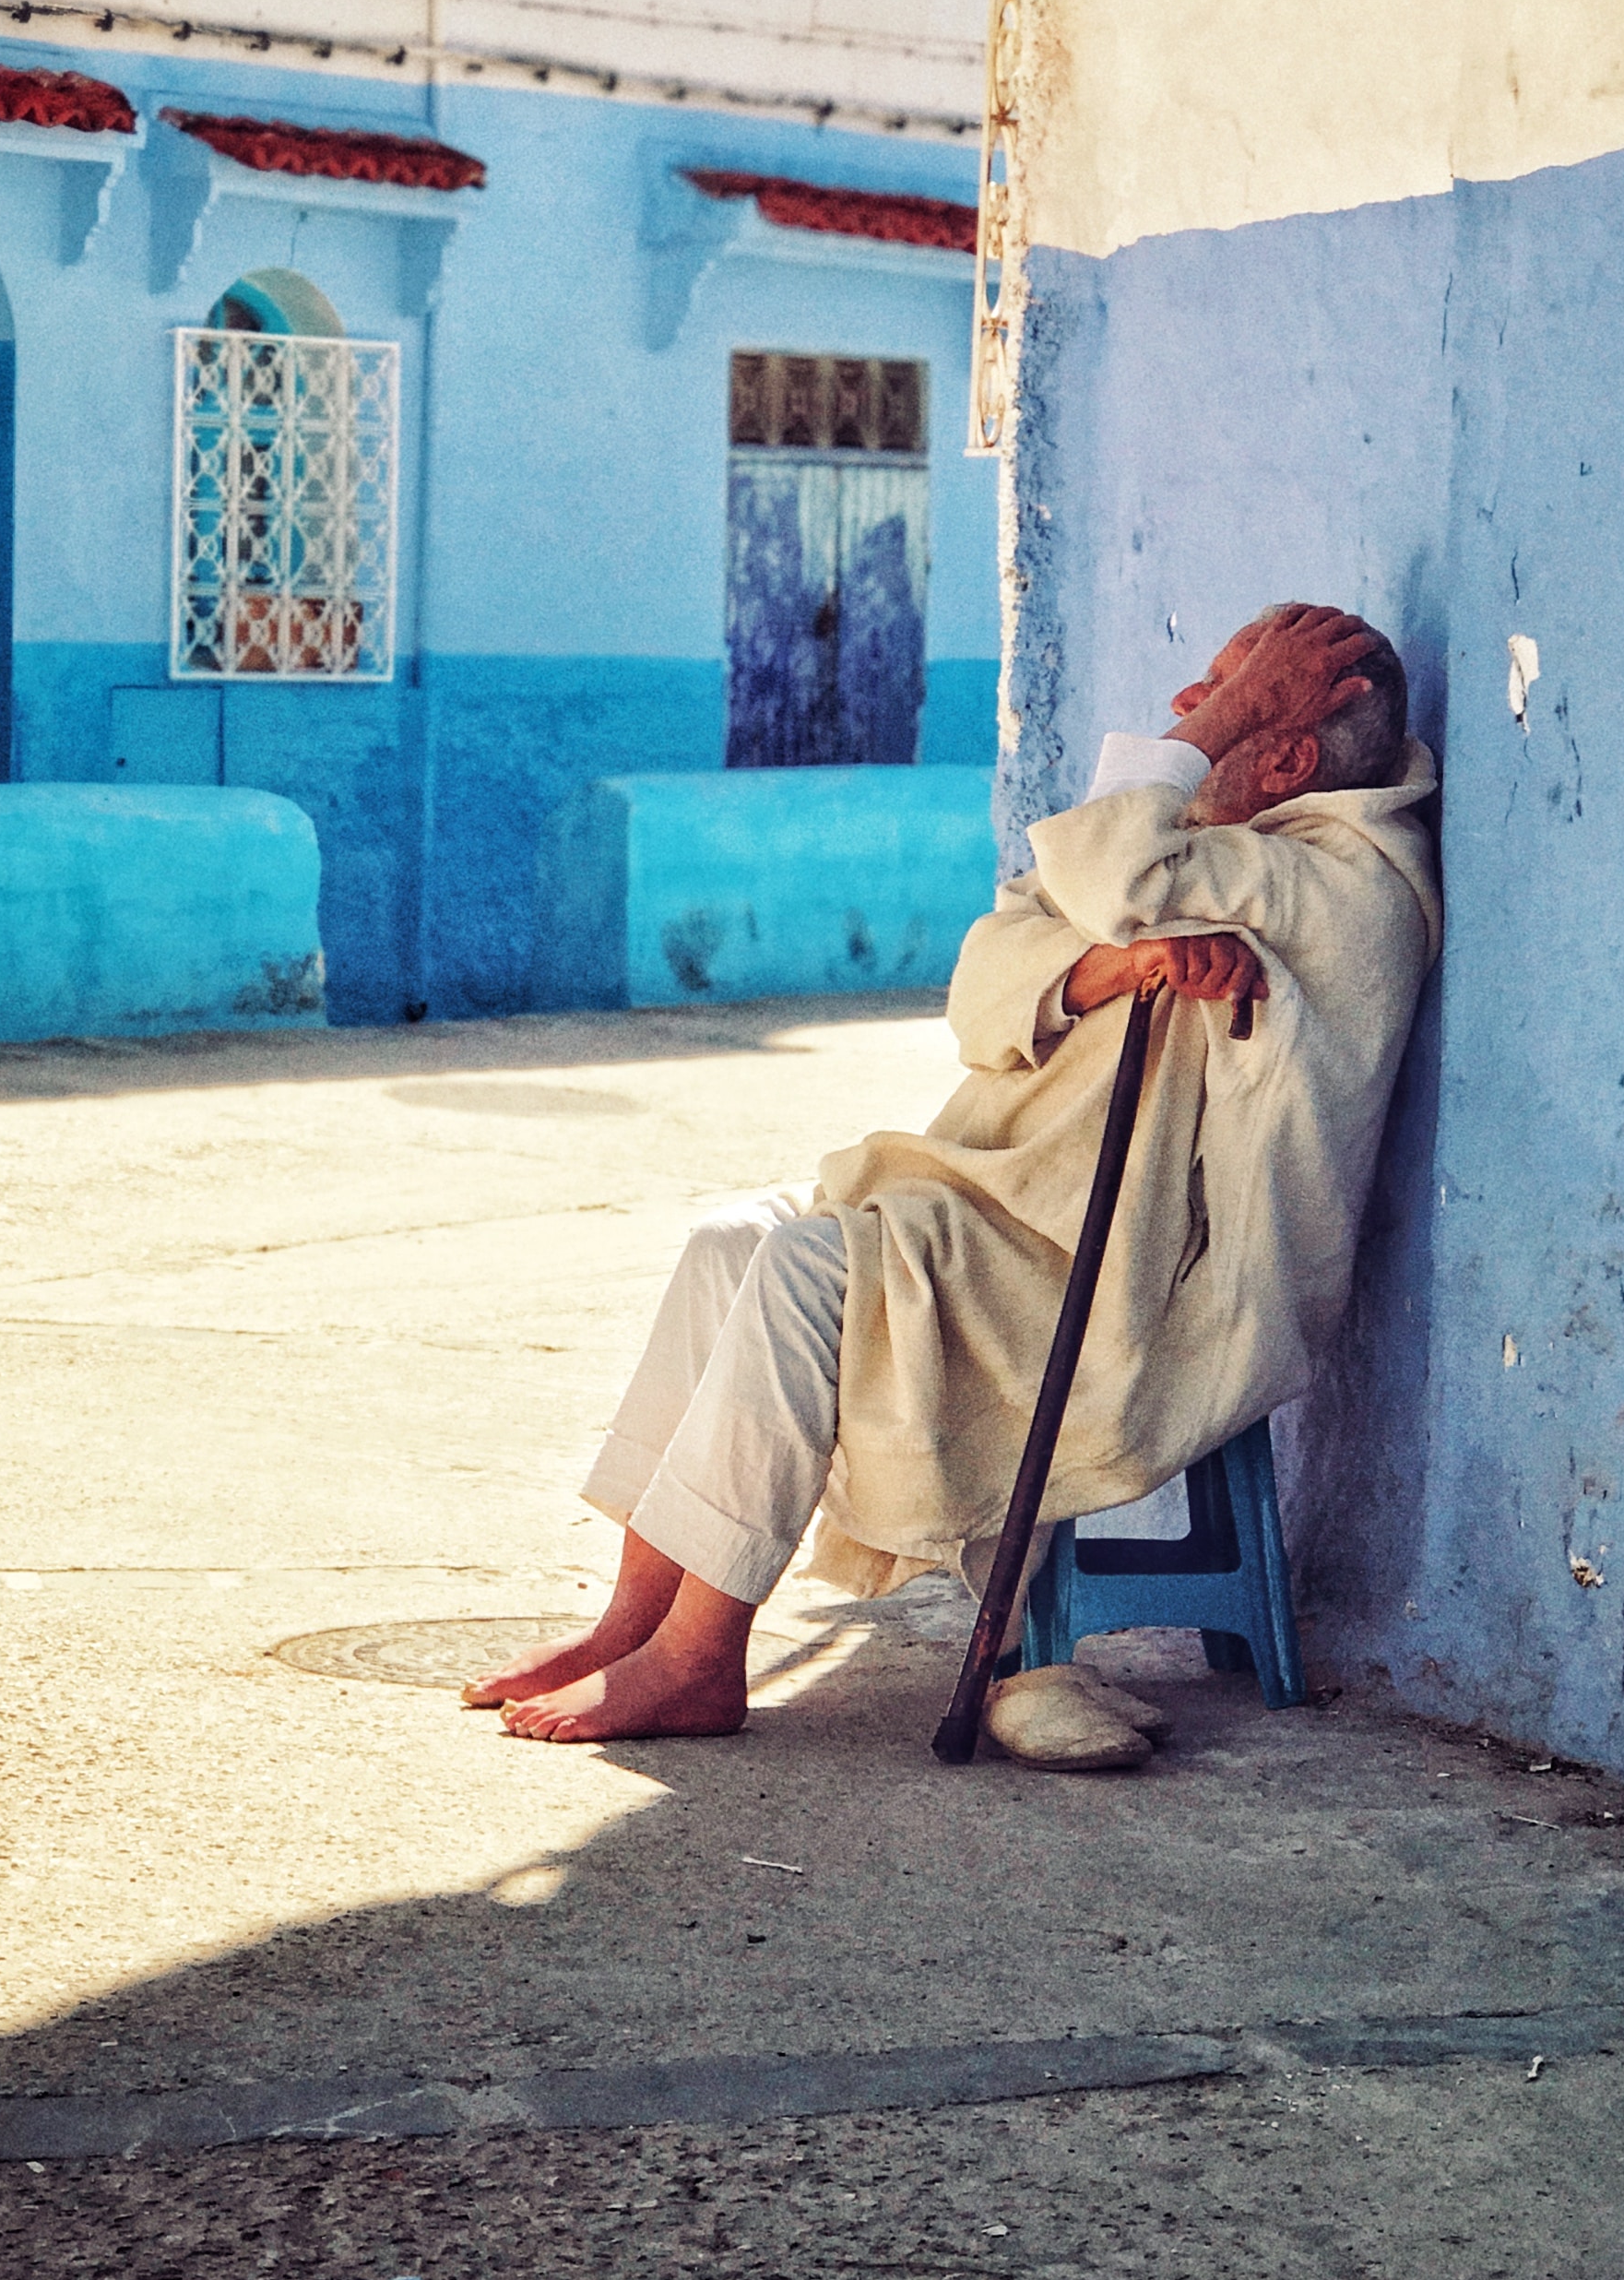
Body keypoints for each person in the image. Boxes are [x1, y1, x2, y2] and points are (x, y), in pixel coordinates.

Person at [465, 605, 1441, 1744]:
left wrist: (1152, 844)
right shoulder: (1199, 864)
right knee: (729, 1241)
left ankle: (701, 1657)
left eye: (1227, 698)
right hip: (1015, 1207)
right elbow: (989, 974)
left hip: (1146, 1277)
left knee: (803, 1270)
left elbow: (1101, 858)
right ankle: (632, 1622)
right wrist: (1106, 967)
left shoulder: (1342, 889)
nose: (1187, 707)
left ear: (1284, 757)